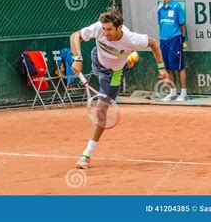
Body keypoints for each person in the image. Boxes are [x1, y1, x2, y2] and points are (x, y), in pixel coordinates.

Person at [70, 9, 169, 169]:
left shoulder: (131, 39)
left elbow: (153, 43)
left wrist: (161, 68)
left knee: (101, 111)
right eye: (104, 29)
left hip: (114, 74)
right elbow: (75, 36)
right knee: (107, 53)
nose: (105, 32)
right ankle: (129, 58)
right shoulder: (98, 28)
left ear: (120, 28)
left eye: (109, 29)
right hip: (98, 59)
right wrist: (77, 59)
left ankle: (87, 154)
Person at [157, 0, 188, 102]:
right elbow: (161, 24)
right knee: (168, 67)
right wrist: (163, 37)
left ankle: (184, 93)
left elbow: (182, 24)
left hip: (176, 39)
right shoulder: (160, 8)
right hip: (163, 40)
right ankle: (173, 92)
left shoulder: (177, 6)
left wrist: (182, 38)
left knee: (179, 66)